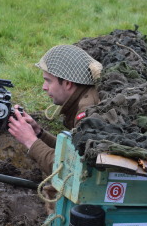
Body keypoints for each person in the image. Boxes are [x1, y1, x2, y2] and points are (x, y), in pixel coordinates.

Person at [8, 45, 102, 211]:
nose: (44, 87)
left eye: (48, 81)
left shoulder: (87, 112)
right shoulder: (86, 97)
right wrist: (39, 134)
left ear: (67, 83)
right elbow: (71, 151)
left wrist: (30, 141)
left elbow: (69, 172)